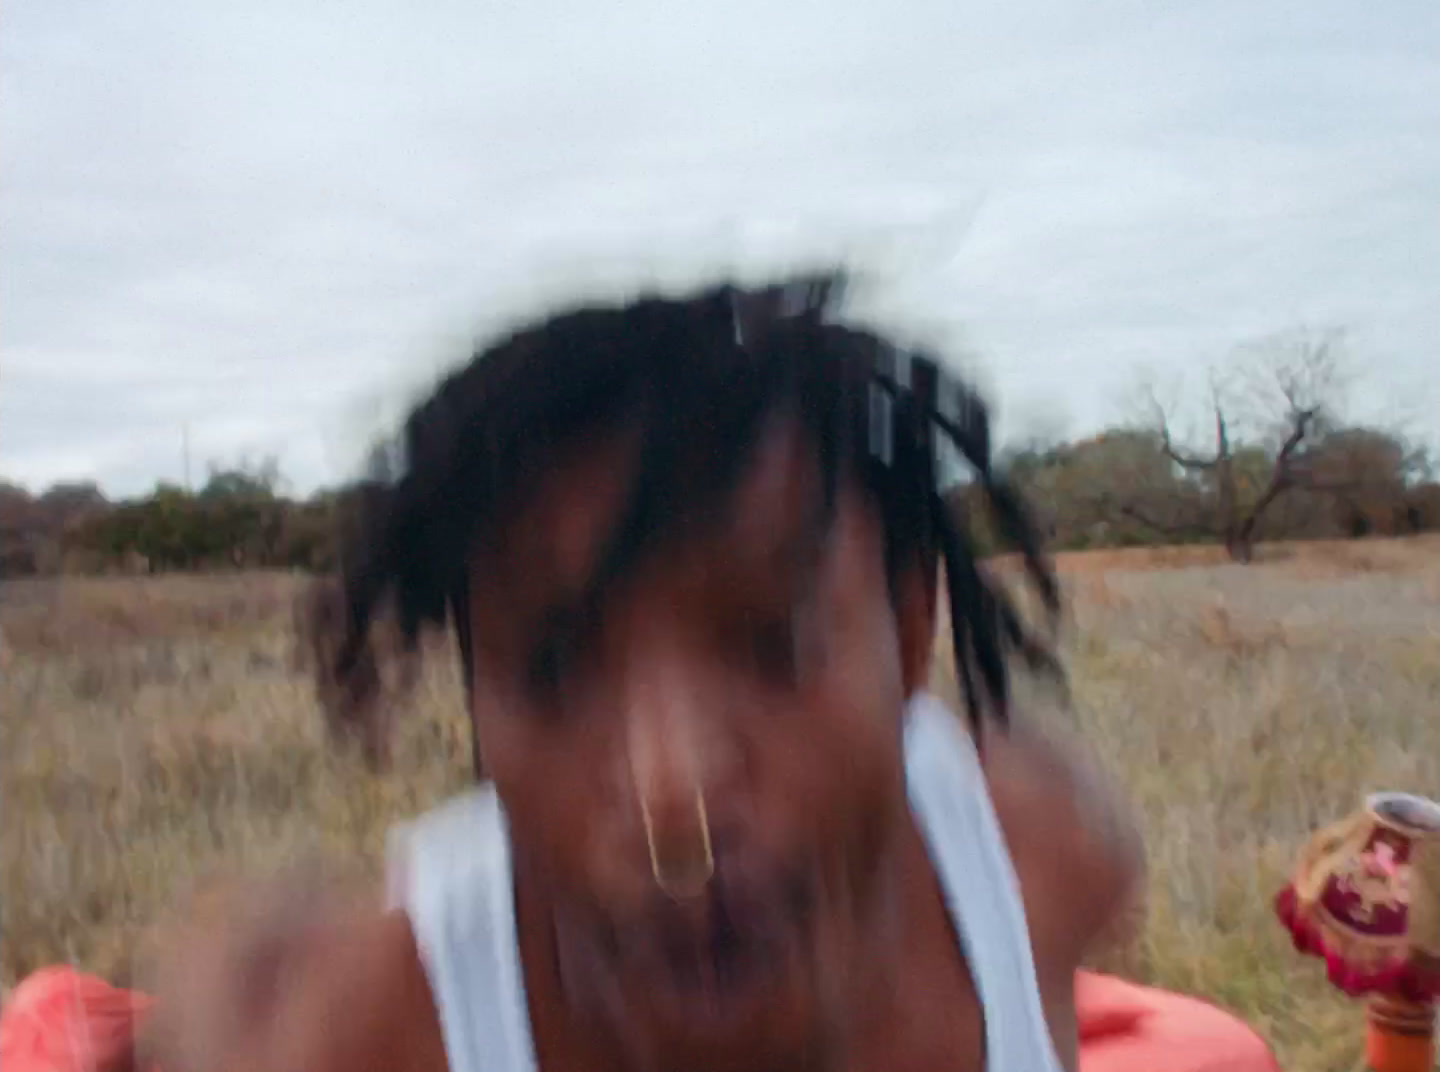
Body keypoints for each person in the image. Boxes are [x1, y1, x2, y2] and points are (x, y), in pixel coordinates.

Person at [143, 273, 1144, 1072]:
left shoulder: (1039, 854)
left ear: (910, 627)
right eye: (550, 670)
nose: (674, 791)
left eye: (775, 644)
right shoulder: (367, 1030)